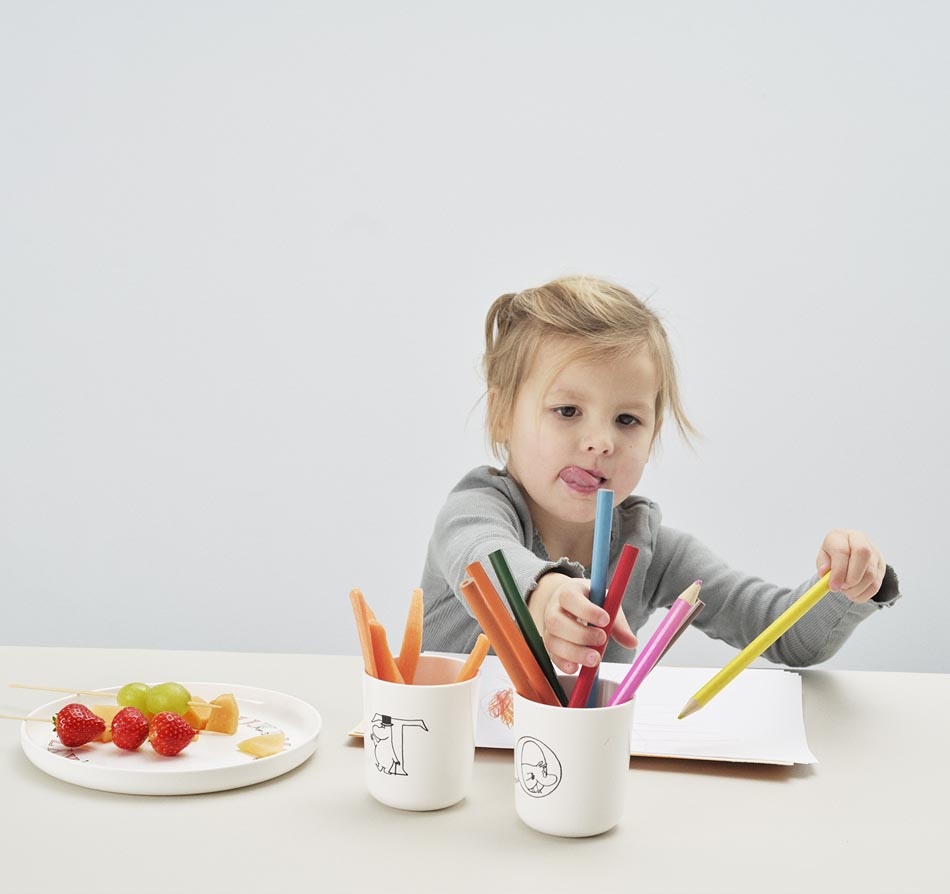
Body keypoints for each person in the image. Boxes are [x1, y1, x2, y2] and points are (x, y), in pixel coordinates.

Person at [419, 275, 900, 674]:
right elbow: (487, 561)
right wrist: (546, 598)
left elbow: (785, 637)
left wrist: (845, 585)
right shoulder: (475, 509)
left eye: (627, 420)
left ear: (653, 434)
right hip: (455, 750)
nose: (601, 442)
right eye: (567, 411)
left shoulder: (649, 550)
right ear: (502, 415)